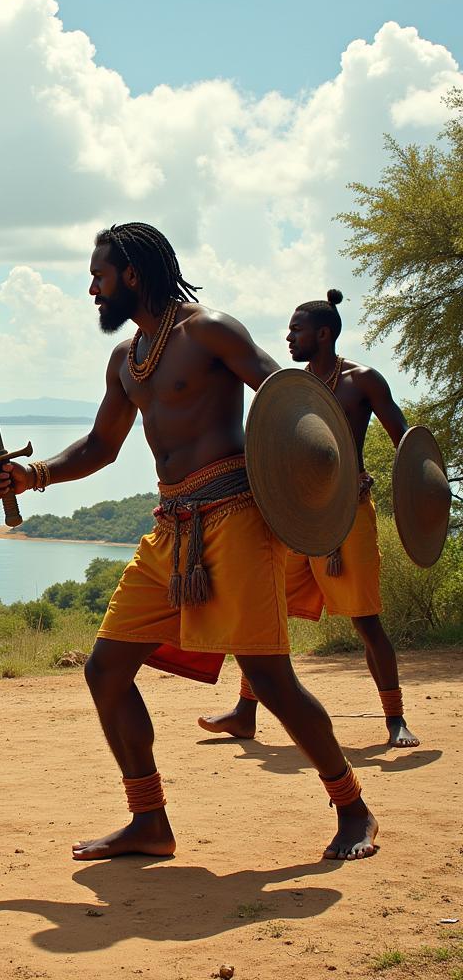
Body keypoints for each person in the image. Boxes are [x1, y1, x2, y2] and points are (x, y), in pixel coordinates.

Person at [0, 223, 379, 862]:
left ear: (132, 276)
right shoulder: (127, 360)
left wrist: (313, 485)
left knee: (270, 679)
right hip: (172, 529)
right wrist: (35, 475)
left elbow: (289, 401)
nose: (91, 288)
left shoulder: (208, 330)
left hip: (237, 519)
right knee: (106, 670)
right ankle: (149, 821)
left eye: (100, 275)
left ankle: (353, 805)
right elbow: (100, 447)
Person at [197, 289, 417, 747]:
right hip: (296, 518)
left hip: (349, 516)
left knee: (366, 622)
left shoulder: (364, 381)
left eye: (296, 330)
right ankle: (244, 712)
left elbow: (408, 446)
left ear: (323, 333)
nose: (288, 337)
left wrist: (406, 496)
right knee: (264, 609)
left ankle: (395, 718)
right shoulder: (291, 389)